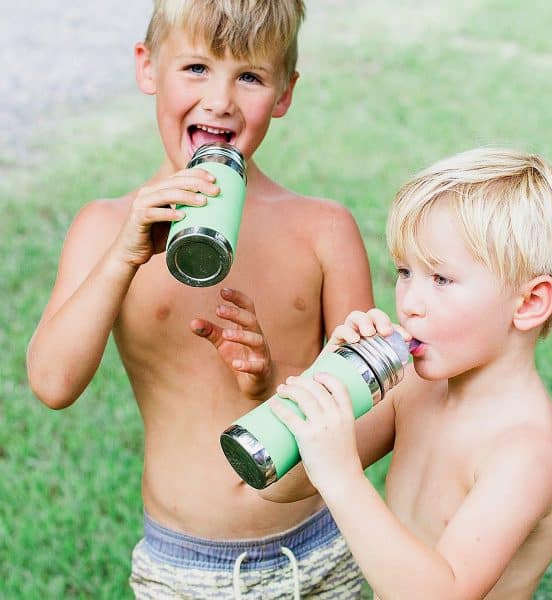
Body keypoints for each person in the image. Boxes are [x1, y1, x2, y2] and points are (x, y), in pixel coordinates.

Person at [26, 1, 375, 597]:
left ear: (285, 92)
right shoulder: (105, 226)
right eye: (196, 68)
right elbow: (54, 383)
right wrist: (123, 256)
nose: (220, 99)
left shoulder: (323, 229)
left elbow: (375, 404)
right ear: (147, 68)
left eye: (250, 76)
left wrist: (272, 393)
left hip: (318, 551)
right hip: (184, 567)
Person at [269, 147, 552, 599]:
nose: (410, 302)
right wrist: (328, 379)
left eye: (440, 279)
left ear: (529, 302)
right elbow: (277, 485)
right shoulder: (414, 388)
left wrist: (342, 475)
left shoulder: (526, 450)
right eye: (405, 272)